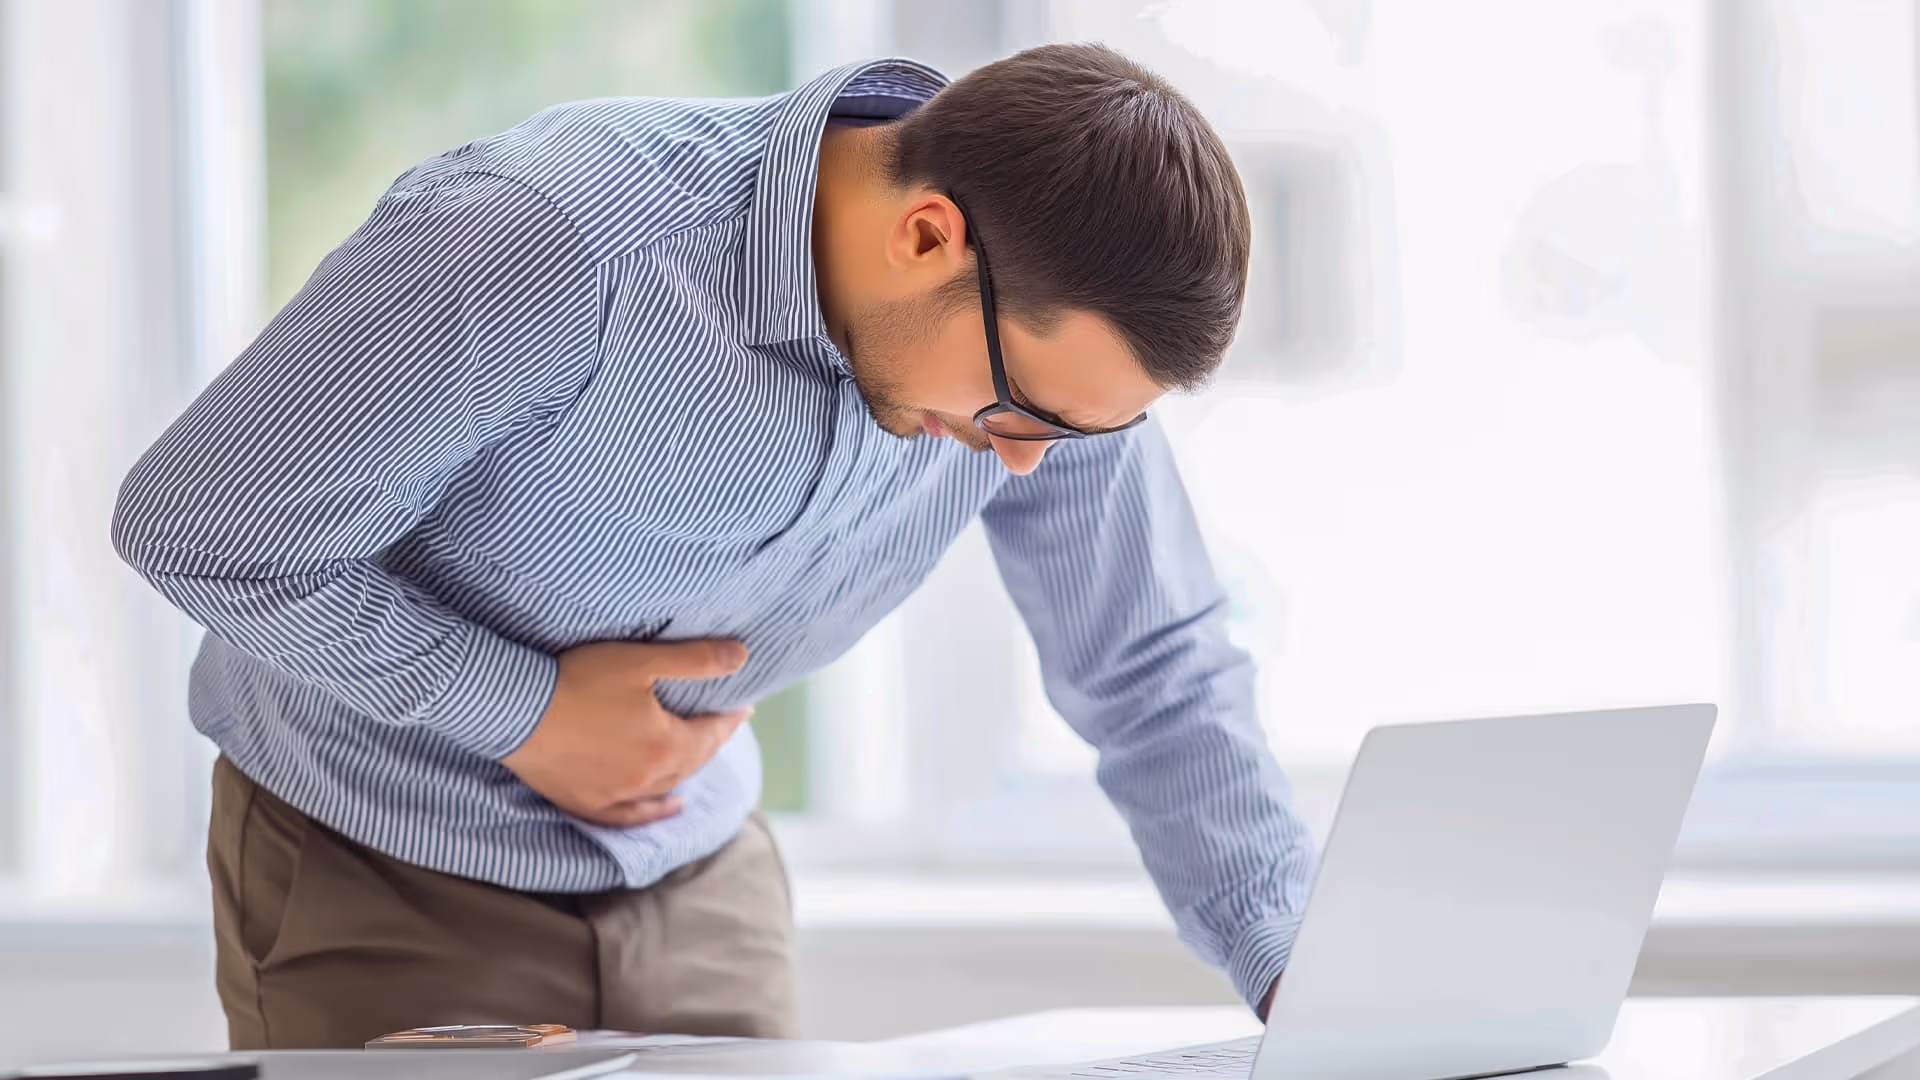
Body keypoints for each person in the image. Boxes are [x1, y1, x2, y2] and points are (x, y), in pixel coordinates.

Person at [112, 43, 1315, 1049]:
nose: (1023, 465)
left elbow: (1152, 665)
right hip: (380, 863)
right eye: (1024, 416)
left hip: (701, 876)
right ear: (927, 236)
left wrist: (1300, 979)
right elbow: (202, 527)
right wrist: (527, 711)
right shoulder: (553, 243)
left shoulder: (1047, 347)